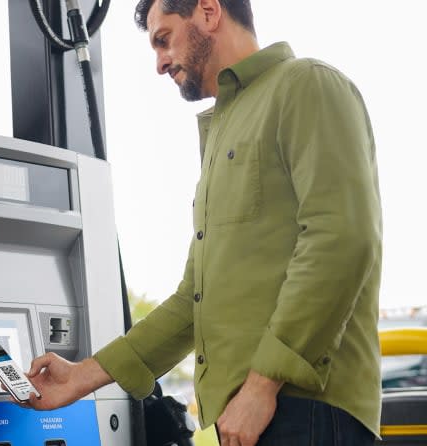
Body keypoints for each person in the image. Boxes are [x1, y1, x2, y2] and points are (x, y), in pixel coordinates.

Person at [21, 1, 382, 445]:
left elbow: (341, 241)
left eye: (163, 38)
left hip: (302, 413)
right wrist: (83, 376)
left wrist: (262, 386)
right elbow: (192, 302)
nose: (159, 63)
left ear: (209, 12)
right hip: (244, 419)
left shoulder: (306, 85)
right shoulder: (224, 133)